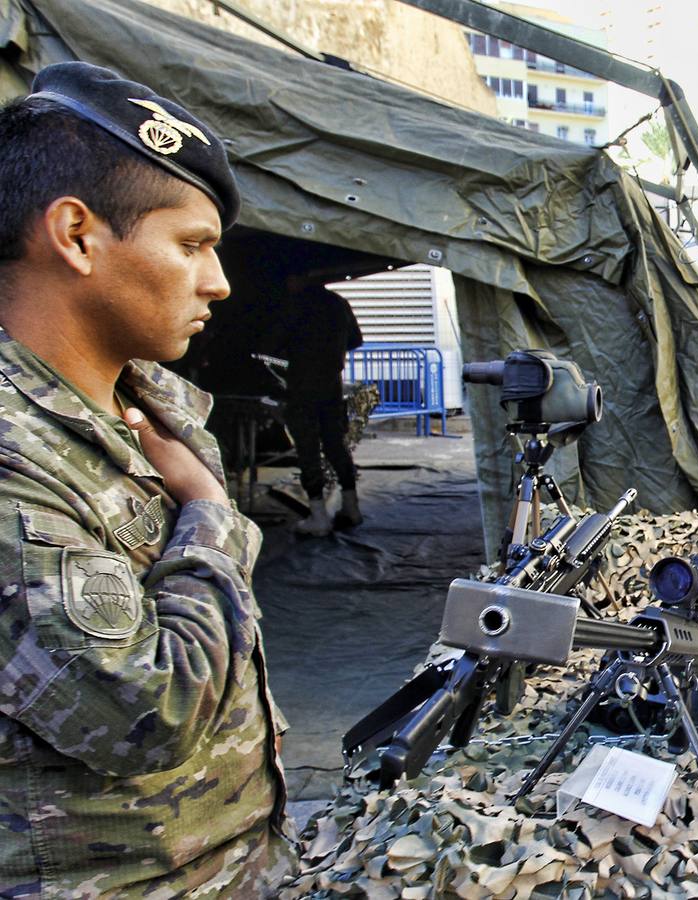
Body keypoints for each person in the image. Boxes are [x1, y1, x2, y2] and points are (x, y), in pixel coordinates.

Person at [0, 63, 291, 894]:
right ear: (77, 235)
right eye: (192, 245)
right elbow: (142, 715)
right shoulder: (14, 450)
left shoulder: (155, 404)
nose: (220, 282)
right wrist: (207, 516)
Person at [281, 278, 364, 536]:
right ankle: (352, 507)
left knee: (307, 446)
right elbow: (356, 340)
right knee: (334, 443)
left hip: (302, 384)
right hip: (331, 382)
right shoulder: (338, 303)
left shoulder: (295, 305)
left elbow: (275, 343)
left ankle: (319, 516)